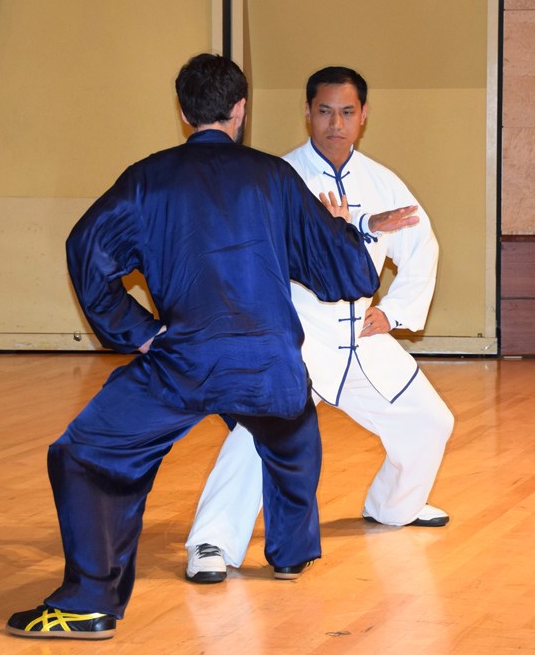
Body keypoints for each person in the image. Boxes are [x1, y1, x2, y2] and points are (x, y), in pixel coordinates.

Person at [6, 54, 387, 640]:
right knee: (292, 430)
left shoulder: (147, 178)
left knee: (81, 455)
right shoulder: (275, 178)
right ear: (240, 110)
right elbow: (351, 278)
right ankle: (289, 554)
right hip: (269, 364)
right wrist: (339, 228)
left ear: (183, 112)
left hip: (185, 360)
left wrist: (136, 331)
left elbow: (86, 250)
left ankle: (88, 602)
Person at [184, 66, 455, 584]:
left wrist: (393, 312)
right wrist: (351, 227)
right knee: (256, 437)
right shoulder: (274, 177)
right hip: (299, 342)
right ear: (307, 113)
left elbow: (422, 248)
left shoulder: (382, 181)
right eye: (325, 111)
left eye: (347, 112)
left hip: (364, 342)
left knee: (430, 423)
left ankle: (393, 507)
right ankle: (211, 542)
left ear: (364, 116)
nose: (336, 123)